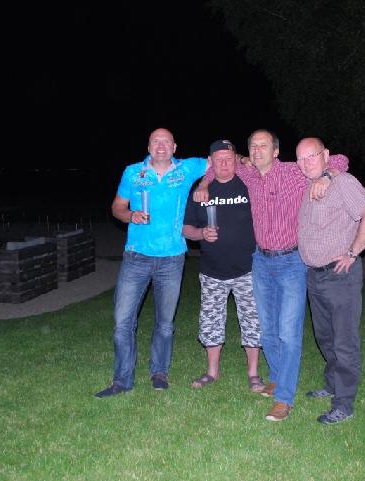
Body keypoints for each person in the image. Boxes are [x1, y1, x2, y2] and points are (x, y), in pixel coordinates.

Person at [195, 129, 348, 421]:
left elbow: (340, 159)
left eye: (263, 146)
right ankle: (277, 378)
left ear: (276, 152)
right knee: (268, 330)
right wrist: (204, 182)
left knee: (289, 333)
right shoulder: (249, 174)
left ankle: (284, 399)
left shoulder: (295, 172)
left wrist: (327, 177)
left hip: (291, 262)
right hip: (261, 262)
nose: (257, 150)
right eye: (253, 146)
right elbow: (219, 165)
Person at [95, 128, 208, 397]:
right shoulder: (133, 172)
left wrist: (204, 184)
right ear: (148, 147)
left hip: (172, 258)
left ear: (174, 147)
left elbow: (222, 160)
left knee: (165, 323)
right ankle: (122, 380)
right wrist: (130, 215)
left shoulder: (187, 168)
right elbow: (117, 208)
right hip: (136, 257)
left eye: (166, 141)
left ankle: (159, 372)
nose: (161, 146)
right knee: (122, 322)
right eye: (156, 141)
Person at [295, 137, 365, 425]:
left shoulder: (343, 182)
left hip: (340, 275)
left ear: (326, 155)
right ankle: (333, 384)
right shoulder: (307, 184)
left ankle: (344, 404)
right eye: (300, 158)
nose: (305, 163)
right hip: (314, 275)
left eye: (312, 156)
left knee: (344, 341)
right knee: (325, 337)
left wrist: (353, 252)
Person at [182, 139, 265, 393]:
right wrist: (200, 234)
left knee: (252, 321)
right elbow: (186, 228)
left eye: (229, 159)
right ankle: (211, 372)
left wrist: (245, 159)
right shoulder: (200, 192)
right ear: (211, 162)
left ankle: (253, 373)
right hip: (212, 271)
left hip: (248, 269)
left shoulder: (248, 184)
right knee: (211, 322)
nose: (225, 164)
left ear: (235, 159)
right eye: (219, 160)